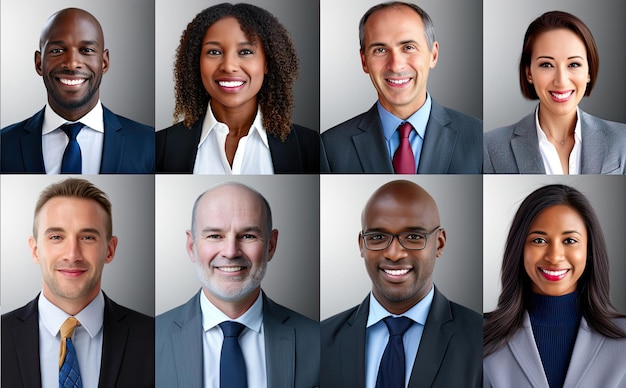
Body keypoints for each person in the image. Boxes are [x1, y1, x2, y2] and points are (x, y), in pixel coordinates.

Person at [156, 182, 319, 387]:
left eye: (248, 236)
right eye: (215, 236)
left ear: (271, 245)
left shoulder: (318, 340)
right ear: (191, 246)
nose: (231, 252)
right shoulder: (147, 340)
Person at [321, 180, 482, 387]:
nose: (394, 254)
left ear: (439, 244)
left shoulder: (483, 338)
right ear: (362, 245)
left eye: (414, 236)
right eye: (378, 237)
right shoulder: (322, 339)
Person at [1, 178, 154, 387]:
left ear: (110, 250)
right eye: (56, 237)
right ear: (35, 250)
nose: (72, 255)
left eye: (87, 237)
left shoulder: (153, 338)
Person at [483, 184, 626, 387]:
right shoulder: (479, 335)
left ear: (589, 249)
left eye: (569, 240)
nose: (554, 257)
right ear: (520, 249)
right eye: (539, 240)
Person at [156, 3, 322, 174]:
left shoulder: (309, 145)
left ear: (267, 63)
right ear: (196, 63)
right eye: (214, 52)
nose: (229, 66)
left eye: (245, 52)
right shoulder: (161, 145)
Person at [321, 2, 482, 174]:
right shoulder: (330, 147)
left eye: (408, 47)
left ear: (433, 55)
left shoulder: (479, 137)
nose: (396, 66)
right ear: (364, 61)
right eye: (380, 50)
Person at [0, 8, 154, 174]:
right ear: (39, 63)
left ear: (104, 62)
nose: (72, 63)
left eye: (86, 50)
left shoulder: (149, 142)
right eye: (57, 51)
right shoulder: (4, 144)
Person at [483, 11, 626, 174]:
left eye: (573, 64)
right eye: (546, 65)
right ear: (529, 73)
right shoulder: (490, 147)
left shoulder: (622, 140)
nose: (561, 81)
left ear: (589, 72)